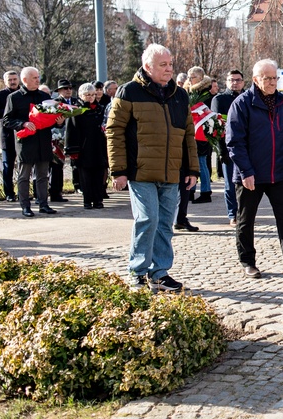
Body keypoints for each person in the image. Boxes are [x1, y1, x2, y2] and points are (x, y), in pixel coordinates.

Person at [106, 43, 199, 292]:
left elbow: (188, 134)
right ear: (148, 67)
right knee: (147, 219)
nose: (169, 69)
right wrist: (118, 170)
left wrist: (192, 170)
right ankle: (137, 271)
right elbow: (114, 132)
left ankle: (159, 272)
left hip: (171, 172)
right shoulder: (128, 92)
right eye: (163, 65)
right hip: (140, 171)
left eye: (170, 64)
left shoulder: (179, 95)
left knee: (165, 223)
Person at [226, 59, 283, 280]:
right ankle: (248, 263)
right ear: (256, 79)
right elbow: (235, 142)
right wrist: (246, 171)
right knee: (246, 220)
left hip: (280, 172)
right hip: (250, 174)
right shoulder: (242, 104)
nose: (273, 82)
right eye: (267, 78)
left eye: (275, 78)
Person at [3, 67, 64, 217]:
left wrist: (59, 122)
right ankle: (25, 206)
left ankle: (43, 204)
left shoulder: (44, 96)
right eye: (34, 78)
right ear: (25, 80)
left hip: (43, 140)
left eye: (38, 77)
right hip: (26, 142)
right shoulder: (14, 97)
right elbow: (6, 120)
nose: (38, 80)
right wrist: (22, 124)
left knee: (43, 174)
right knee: (24, 175)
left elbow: (51, 118)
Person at [64, 83, 108, 209]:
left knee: (99, 174)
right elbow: (70, 131)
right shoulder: (76, 110)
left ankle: (98, 200)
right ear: (81, 96)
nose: (91, 97)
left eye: (93, 94)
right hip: (84, 149)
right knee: (86, 176)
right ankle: (87, 201)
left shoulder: (100, 109)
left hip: (99, 147)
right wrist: (73, 151)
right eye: (87, 95)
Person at [212, 69, 245, 226]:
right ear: (226, 82)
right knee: (230, 184)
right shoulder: (220, 100)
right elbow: (216, 128)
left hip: (248, 147)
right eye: (232, 80)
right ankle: (233, 214)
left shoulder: (249, 98)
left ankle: (244, 213)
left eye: (238, 80)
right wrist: (221, 151)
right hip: (228, 148)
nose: (235, 83)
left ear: (243, 82)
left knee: (248, 182)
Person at [184, 67, 214, 204]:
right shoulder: (188, 92)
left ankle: (206, 191)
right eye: (188, 77)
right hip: (190, 132)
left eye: (193, 77)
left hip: (201, 133)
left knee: (201, 163)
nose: (189, 80)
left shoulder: (205, 93)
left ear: (201, 78)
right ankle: (190, 190)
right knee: (191, 163)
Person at [0, 70, 20, 202]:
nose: (13, 82)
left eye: (14, 79)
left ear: (19, 79)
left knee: (26, 165)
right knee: (8, 166)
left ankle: (24, 193)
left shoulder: (24, 93)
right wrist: (10, 111)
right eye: (10, 80)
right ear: (5, 81)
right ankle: (9, 194)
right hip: (7, 136)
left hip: (25, 135)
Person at [49, 78, 79, 203]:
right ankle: (56, 193)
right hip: (58, 139)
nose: (68, 90)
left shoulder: (77, 102)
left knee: (77, 164)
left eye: (70, 88)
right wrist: (59, 124)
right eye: (65, 88)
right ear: (59, 90)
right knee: (57, 167)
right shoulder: (54, 103)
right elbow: (49, 122)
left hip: (74, 137)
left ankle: (80, 187)